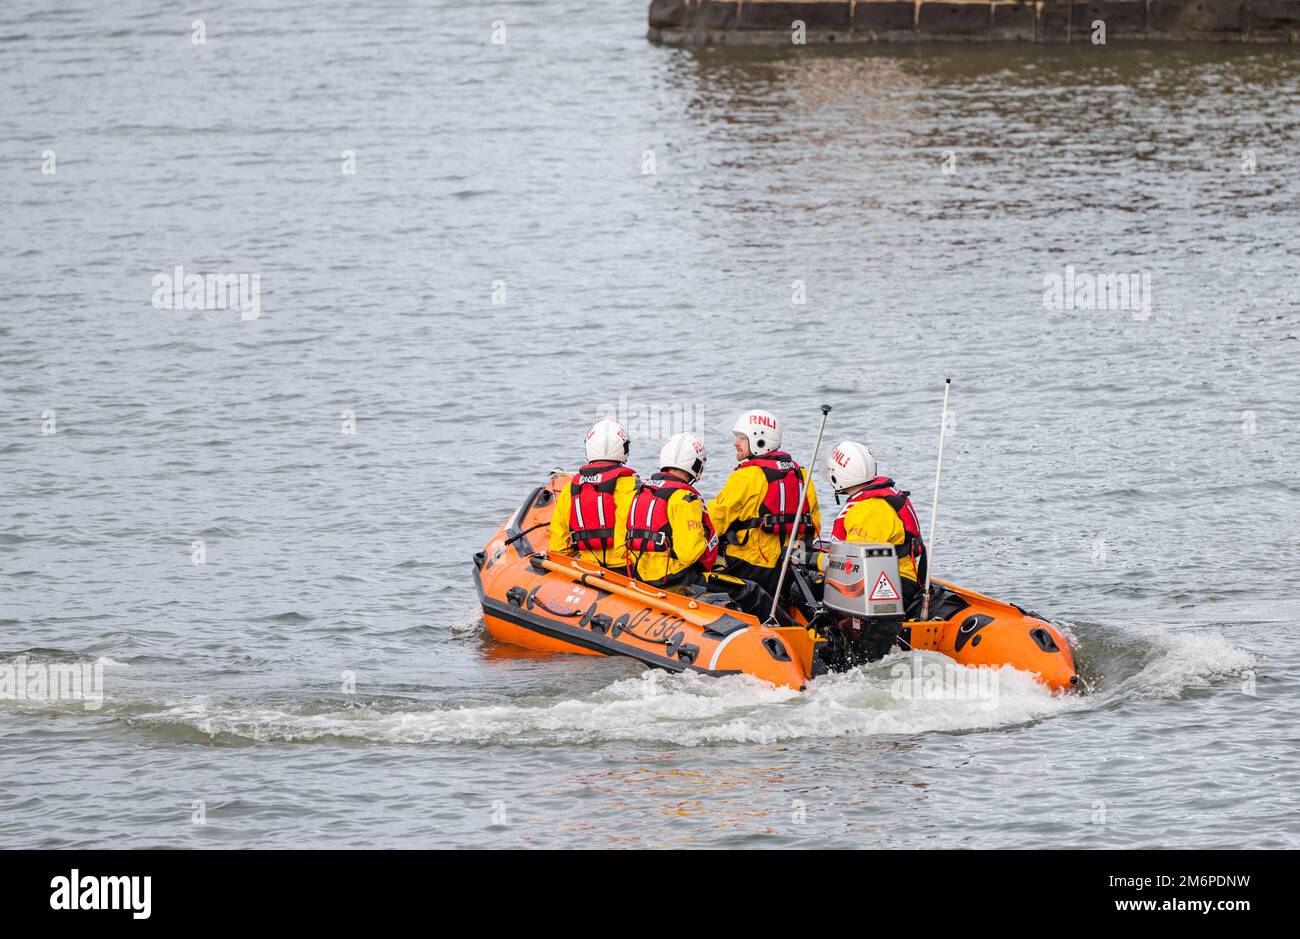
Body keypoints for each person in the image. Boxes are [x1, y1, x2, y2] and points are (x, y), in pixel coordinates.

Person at [707, 409, 821, 601]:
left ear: (760, 441)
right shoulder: (803, 475)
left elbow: (714, 521)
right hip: (789, 567)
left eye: (742, 438)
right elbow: (815, 523)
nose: (736, 443)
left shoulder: (746, 476)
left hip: (749, 567)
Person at [824, 440, 928, 615]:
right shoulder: (877, 501)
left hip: (890, 584)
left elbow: (856, 566)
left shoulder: (867, 510)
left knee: (807, 590)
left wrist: (816, 561)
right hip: (899, 578)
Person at [624, 432, 719, 591]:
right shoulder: (685, 498)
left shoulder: (640, 491)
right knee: (751, 591)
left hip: (639, 574)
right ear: (696, 465)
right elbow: (689, 554)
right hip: (674, 578)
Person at [548, 418, 640, 571]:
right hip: (627, 568)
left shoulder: (571, 488)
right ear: (624, 449)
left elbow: (559, 545)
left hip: (588, 567)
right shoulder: (633, 486)